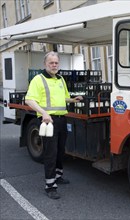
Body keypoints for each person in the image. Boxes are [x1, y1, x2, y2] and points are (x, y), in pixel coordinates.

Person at [25, 51, 83, 199]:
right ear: (45, 64)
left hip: (61, 120)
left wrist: (72, 100)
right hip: (47, 121)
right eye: (51, 63)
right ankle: (50, 186)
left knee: (60, 150)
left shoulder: (60, 79)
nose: (54, 65)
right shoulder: (38, 80)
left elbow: (63, 97)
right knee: (50, 153)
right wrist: (43, 113)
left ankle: (58, 176)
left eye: (56, 62)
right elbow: (29, 100)